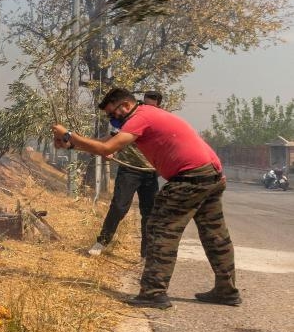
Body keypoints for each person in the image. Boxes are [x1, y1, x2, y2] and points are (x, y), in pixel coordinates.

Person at [52, 87, 240, 309]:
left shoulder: (140, 117)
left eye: (113, 113)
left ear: (125, 106)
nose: (112, 119)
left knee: (160, 229)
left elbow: (106, 148)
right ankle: (227, 291)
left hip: (190, 176)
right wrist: (71, 144)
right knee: (214, 233)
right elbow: (103, 144)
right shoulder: (147, 115)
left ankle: (153, 292)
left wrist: (67, 134)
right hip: (210, 172)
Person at [87, 91, 162, 257]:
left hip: (150, 172)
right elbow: (113, 137)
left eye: (151, 106)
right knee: (119, 207)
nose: (146, 108)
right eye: (145, 104)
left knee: (149, 212)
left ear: (158, 107)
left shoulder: (159, 120)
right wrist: (109, 150)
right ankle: (102, 242)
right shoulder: (130, 118)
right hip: (129, 169)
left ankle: (146, 254)